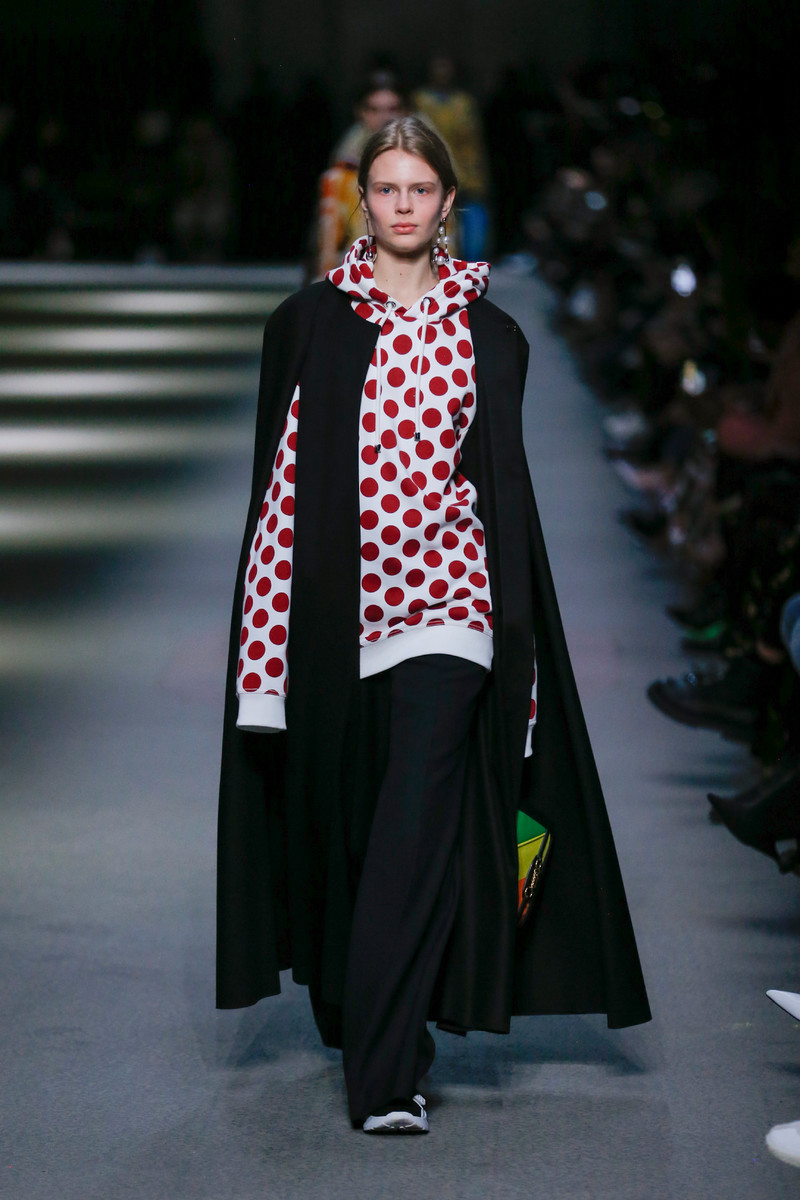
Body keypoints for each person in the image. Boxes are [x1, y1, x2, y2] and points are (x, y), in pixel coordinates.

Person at [217, 116, 650, 1134]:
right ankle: (367, 1017)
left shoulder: (491, 338)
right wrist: (262, 666)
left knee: (413, 834)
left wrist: (520, 670)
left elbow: (503, 500)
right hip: (336, 622)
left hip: (452, 616)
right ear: (363, 202)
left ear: (448, 202)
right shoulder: (309, 324)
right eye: (387, 189)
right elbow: (279, 503)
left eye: (421, 189)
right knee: (354, 839)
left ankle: (386, 1082)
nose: (404, 205)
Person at [311, 71, 404, 278]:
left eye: (393, 109)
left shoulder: (426, 173)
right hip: (358, 280)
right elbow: (328, 244)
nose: (385, 118)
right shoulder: (342, 175)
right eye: (375, 110)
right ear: (361, 113)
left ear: (406, 112)